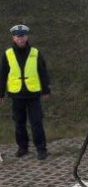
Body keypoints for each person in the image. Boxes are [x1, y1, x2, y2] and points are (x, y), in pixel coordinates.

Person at [0, 24, 50, 160]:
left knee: (36, 122)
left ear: (26, 37)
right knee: (19, 123)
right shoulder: (8, 54)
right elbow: (3, 74)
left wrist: (46, 89)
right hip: (17, 95)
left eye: (23, 36)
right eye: (18, 36)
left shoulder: (35, 52)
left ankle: (41, 149)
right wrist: (1, 93)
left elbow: (42, 72)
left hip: (33, 94)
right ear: (13, 38)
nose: (20, 39)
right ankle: (23, 148)